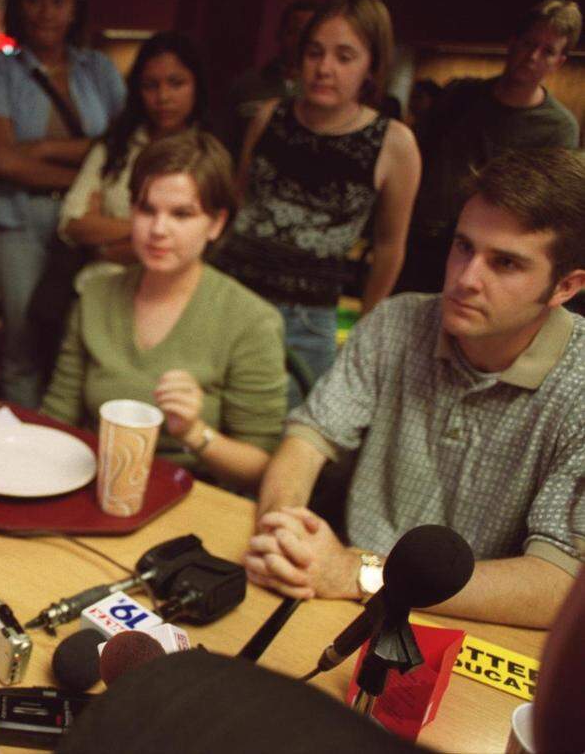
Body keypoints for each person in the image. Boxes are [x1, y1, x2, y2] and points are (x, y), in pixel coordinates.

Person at [245, 149, 585, 629]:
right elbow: (307, 438)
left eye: (505, 263)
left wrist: (360, 574)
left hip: (469, 624)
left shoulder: (580, 387)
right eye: (463, 247)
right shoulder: (397, 321)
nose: (466, 279)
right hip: (335, 592)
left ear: (564, 287)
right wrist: (285, 534)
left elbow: (557, 584)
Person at [42, 132, 287, 491]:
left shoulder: (251, 321)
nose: (158, 229)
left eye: (182, 214)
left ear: (216, 224)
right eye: (147, 209)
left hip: (193, 497)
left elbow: (260, 467)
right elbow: (57, 417)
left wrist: (195, 432)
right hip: (98, 485)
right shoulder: (95, 295)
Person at [210, 0, 421, 403]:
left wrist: (363, 330)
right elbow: (236, 201)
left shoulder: (394, 142)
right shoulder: (268, 115)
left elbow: (390, 247)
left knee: (286, 440)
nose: (325, 68)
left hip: (307, 319)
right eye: (315, 52)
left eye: (345, 56)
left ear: (371, 65)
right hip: (231, 294)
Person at [0, 0, 125, 407]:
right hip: (19, 220)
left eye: (58, 2)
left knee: (84, 334)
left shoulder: (99, 69)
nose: (46, 12)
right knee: (22, 338)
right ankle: (21, 431)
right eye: (35, 2)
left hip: (87, 219)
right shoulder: (0, 70)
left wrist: (41, 148)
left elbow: (119, 145)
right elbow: (1, 158)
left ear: (75, 10)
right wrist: (82, 169)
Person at [395, 0, 581, 296]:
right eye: (529, 43)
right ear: (513, 42)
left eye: (547, 51)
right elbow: (417, 157)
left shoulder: (557, 127)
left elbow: (544, 207)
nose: (533, 56)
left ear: (558, 62)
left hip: (486, 253)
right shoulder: (460, 95)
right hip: (419, 239)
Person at [58, 32, 210, 267]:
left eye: (176, 83)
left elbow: (197, 246)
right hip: (102, 281)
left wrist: (106, 243)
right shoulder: (116, 146)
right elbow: (72, 223)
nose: (163, 97)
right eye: (151, 86)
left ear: (196, 86)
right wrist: (145, 231)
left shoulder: (208, 153)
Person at [222, 0, 317, 154]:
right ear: (280, 33)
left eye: (309, 34)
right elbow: (225, 145)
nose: (302, 41)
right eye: (296, 32)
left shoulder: (321, 90)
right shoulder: (247, 85)